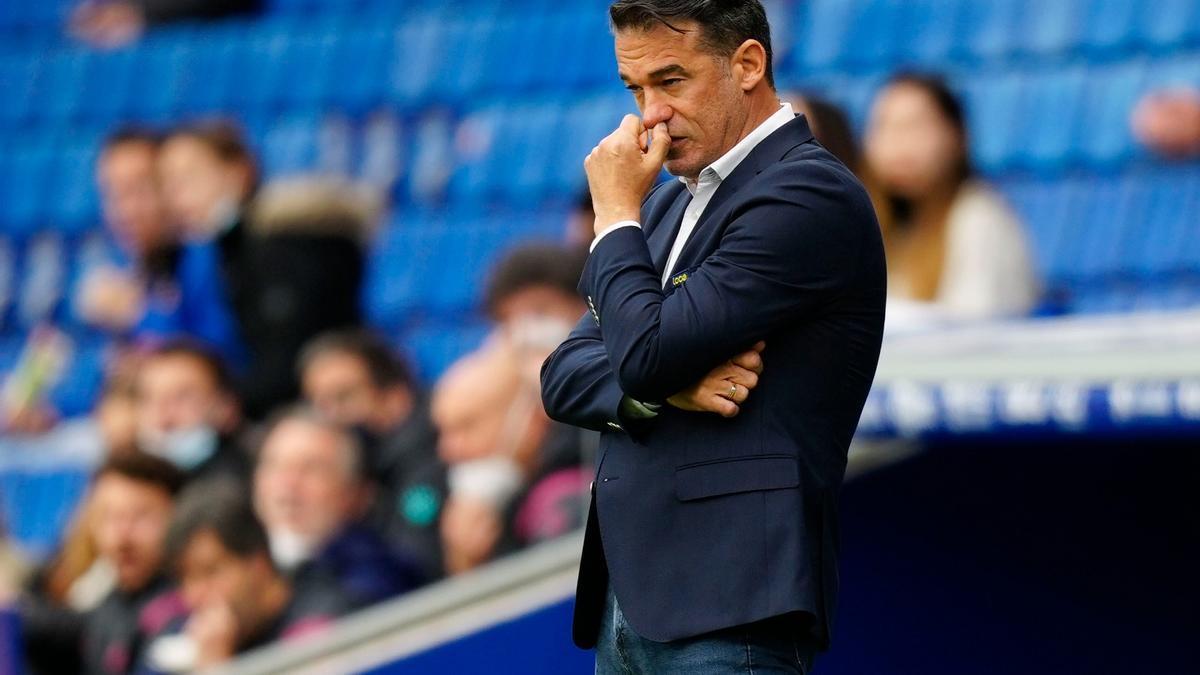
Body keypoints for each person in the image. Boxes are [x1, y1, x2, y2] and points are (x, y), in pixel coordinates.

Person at [540, 1, 886, 672]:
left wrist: (614, 216)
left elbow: (643, 353)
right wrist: (664, 392)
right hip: (628, 600)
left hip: (734, 604)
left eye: (671, 81)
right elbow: (565, 369)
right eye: (635, 90)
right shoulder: (669, 198)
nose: (650, 116)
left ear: (748, 64)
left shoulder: (809, 194)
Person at [159, 122, 368, 419]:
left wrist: (227, 406)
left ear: (238, 171)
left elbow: (288, 361)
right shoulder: (224, 252)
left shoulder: (288, 245)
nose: (175, 196)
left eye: (188, 178)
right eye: (167, 184)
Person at [864, 72, 1039, 323]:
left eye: (915, 125)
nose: (898, 142)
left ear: (957, 136)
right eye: (885, 125)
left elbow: (972, 333)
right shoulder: (883, 227)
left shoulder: (980, 220)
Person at [145, 483, 351, 672]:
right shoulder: (183, 632)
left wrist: (216, 668)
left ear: (257, 564)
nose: (194, 596)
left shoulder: (318, 624)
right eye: (184, 579)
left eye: (210, 571)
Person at [296, 330, 442, 580]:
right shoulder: (361, 466)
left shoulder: (436, 452)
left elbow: (417, 564)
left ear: (394, 395)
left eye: (344, 397)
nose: (330, 417)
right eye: (318, 404)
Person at [434, 345, 584, 576]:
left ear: (531, 416)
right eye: (443, 432)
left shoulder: (569, 491)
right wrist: (466, 561)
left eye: (467, 426)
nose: (448, 450)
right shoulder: (500, 502)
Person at [253, 408, 423, 608]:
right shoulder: (239, 566)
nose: (287, 484)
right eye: (274, 466)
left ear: (355, 493)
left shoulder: (376, 576)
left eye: (310, 469)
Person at [77, 127, 182, 337]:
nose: (125, 211)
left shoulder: (209, 264)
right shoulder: (124, 269)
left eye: (138, 190)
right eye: (112, 194)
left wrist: (137, 316)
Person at [133, 340, 249, 486]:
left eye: (182, 397)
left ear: (226, 407)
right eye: (149, 398)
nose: (161, 414)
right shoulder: (121, 478)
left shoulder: (240, 483)